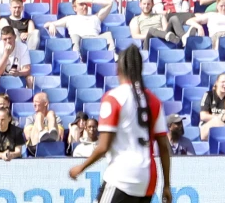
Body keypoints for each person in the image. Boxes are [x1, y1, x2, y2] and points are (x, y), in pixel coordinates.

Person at [68, 46, 174, 203]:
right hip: (147, 180)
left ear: (118, 68)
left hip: (122, 176)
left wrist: (81, 167)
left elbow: (103, 147)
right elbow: (164, 147)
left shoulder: (113, 98)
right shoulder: (154, 101)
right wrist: (166, 185)